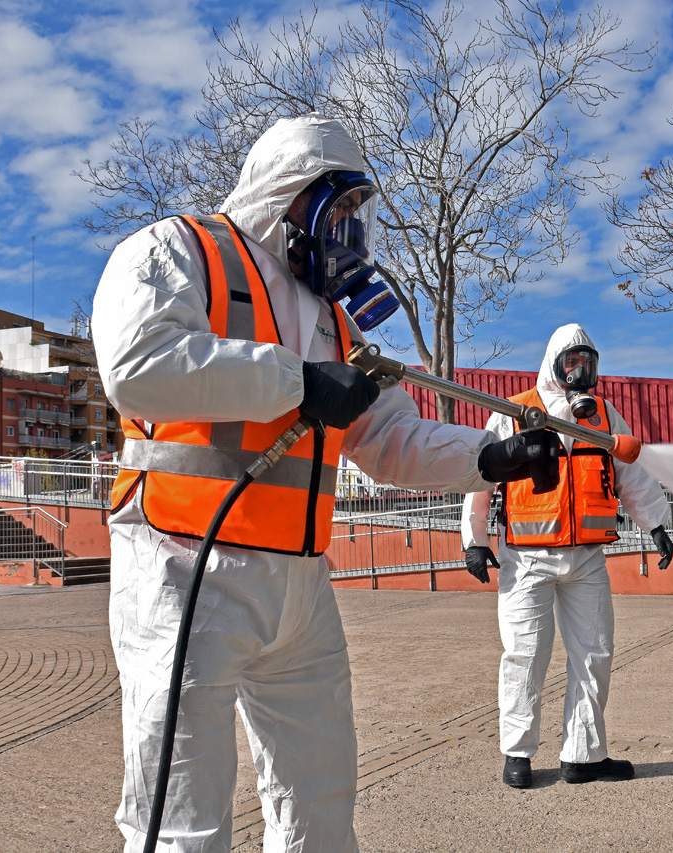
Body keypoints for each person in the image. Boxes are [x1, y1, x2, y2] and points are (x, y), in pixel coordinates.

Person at [91, 113, 557, 853]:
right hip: (184, 570)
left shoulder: (335, 324)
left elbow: (391, 438)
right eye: (340, 209)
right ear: (290, 195)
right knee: (182, 816)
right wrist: (295, 382)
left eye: (357, 213)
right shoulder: (176, 250)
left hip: (299, 587)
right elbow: (138, 364)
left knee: (320, 800)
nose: (351, 229)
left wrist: (489, 457)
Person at [460, 323, 673, 789]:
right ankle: (517, 753)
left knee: (594, 654)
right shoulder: (514, 412)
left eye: (588, 363)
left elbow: (629, 472)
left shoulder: (601, 415)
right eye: (572, 362)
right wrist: (474, 540)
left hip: (587, 561)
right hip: (527, 560)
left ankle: (584, 756)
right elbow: (481, 474)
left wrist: (656, 523)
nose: (580, 371)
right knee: (525, 656)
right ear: (555, 364)